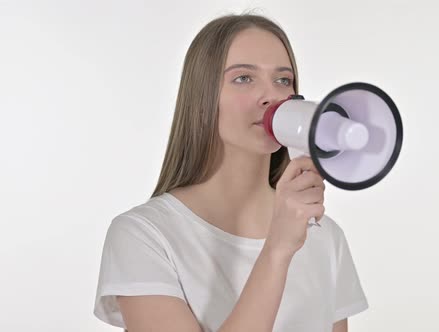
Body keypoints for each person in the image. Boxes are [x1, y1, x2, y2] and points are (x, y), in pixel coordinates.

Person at [93, 13, 368, 332]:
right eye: (243, 78)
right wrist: (277, 249)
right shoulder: (144, 235)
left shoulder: (324, 237)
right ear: (201, 99)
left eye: (283, 80)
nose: (272, 97)